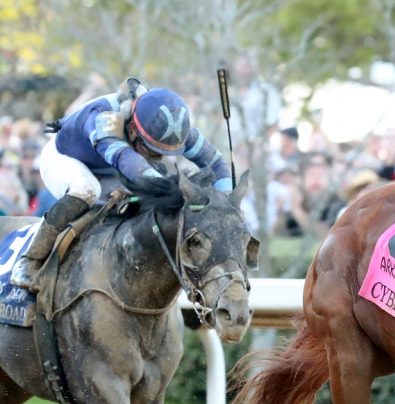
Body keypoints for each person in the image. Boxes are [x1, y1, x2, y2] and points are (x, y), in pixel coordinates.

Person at [10, 78, 233, 292]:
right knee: (87, 191)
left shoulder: (175, 131)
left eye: (165, 152)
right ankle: (31, 259)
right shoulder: (104, 120)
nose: (158, 157)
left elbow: (217, 164)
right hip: (66, 158)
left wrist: (226, 203)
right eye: (153, 151)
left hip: (113, 165)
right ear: (134, 130)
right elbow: (130, 164)